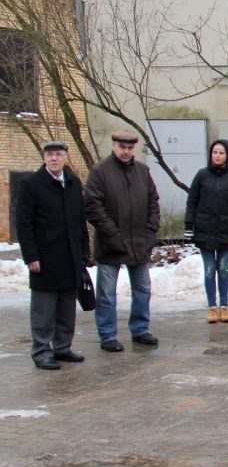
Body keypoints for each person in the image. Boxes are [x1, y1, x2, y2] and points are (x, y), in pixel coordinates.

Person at [84, 130, 161, 352]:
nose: (126, 152)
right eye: (122, 147)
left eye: (129, 148)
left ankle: (140, 329)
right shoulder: (100, 172)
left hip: (139, 243)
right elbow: (93, 207)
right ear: (114, 146)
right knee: (107, 293)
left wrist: (149, 233)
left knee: (143, 290)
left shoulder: (143, 172)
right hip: (111, 244)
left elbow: (153, 204)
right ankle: (107, 335)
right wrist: (113, 234)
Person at [16, 140, 90, 369]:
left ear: (66, 157)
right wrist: (31, 256)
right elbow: (24, 224)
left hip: (70, 256)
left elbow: (80, 221)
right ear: (44, 158)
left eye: (58, 154)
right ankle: (41, 351)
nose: (54, 158)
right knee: (44, 310)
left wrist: (84, 252)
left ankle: (63, 347)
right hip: (45, 258)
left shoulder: (72, 182)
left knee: (67, 308)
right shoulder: (32, 184)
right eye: (50, 155)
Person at [185, 139, 228, 322]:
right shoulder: (201, 176)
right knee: (209, 270)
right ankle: (212, 307)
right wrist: (189, 226)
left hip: (226, 232)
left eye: (221, 153)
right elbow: (192, 201)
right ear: (210, 155)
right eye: (215, 152)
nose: (218, 156)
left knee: (222, 269)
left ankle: (224, 306)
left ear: (227, 155)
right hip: (204, 231)